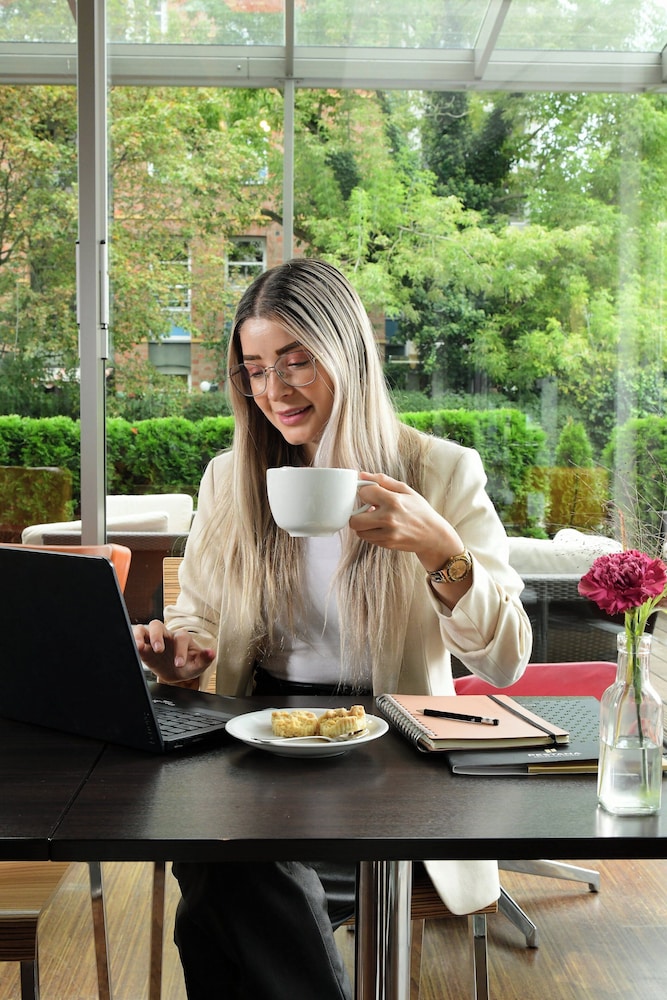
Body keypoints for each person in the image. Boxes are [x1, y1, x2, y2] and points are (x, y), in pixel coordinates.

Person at [133, 257, 532, 999]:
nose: (274, 390)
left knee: (224, 886)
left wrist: (439, 551)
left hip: (393, 754)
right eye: (254, 368)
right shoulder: (232, 476)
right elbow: (201, 616)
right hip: (255, 740)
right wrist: (182, 656)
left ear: (347, 355)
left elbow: (505, 661)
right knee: (228, 868)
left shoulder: (439, 472)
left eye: (295, 361)